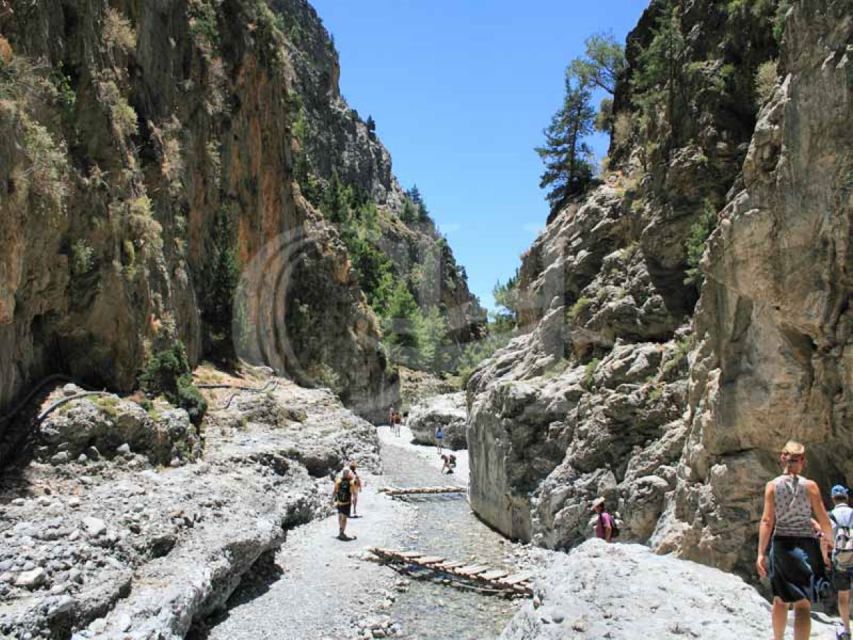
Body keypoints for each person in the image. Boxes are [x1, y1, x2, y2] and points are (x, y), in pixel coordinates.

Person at [757, 441, 833, 640]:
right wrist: (830, 541)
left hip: (781, 545)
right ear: (802, 462)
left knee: (780, 600)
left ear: (782, 458)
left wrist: (760, 553)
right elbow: (824, 519)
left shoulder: (772, 486)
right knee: (803, 604)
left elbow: (767, 520)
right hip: (806, 546)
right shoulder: (811, 486)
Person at [830, 485, 853, 640]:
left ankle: (846, 631)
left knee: (843, 596)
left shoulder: (830, 515)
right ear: (847, 497)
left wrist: (825, 557)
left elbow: (826, 538)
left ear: (833, 498)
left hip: (840, 560)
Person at [332, 467, 357, 541]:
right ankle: (342, 532)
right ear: (348, 473)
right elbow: (353, 493)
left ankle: (340, 529)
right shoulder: (351, 482)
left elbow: (334, 491)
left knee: (340, 515)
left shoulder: (338, 481)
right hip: (346, 503)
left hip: (339, 502)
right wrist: (354, 499)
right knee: (344, 518)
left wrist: (331, 500)